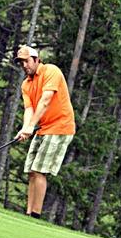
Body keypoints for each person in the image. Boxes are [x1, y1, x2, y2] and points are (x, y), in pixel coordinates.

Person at [14, 45, 75, 219]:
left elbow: (46, 100)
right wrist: (25, 128)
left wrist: (31, 126)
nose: (24, 65)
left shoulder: (51, 71)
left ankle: (35, 215)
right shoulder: (26, 84)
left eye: (27, 61)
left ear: (36, 60)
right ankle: (28, 213)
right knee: (32, 171)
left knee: (39, 170)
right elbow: (29, 109)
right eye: (21, 63)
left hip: (60, 127)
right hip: (43, 128)